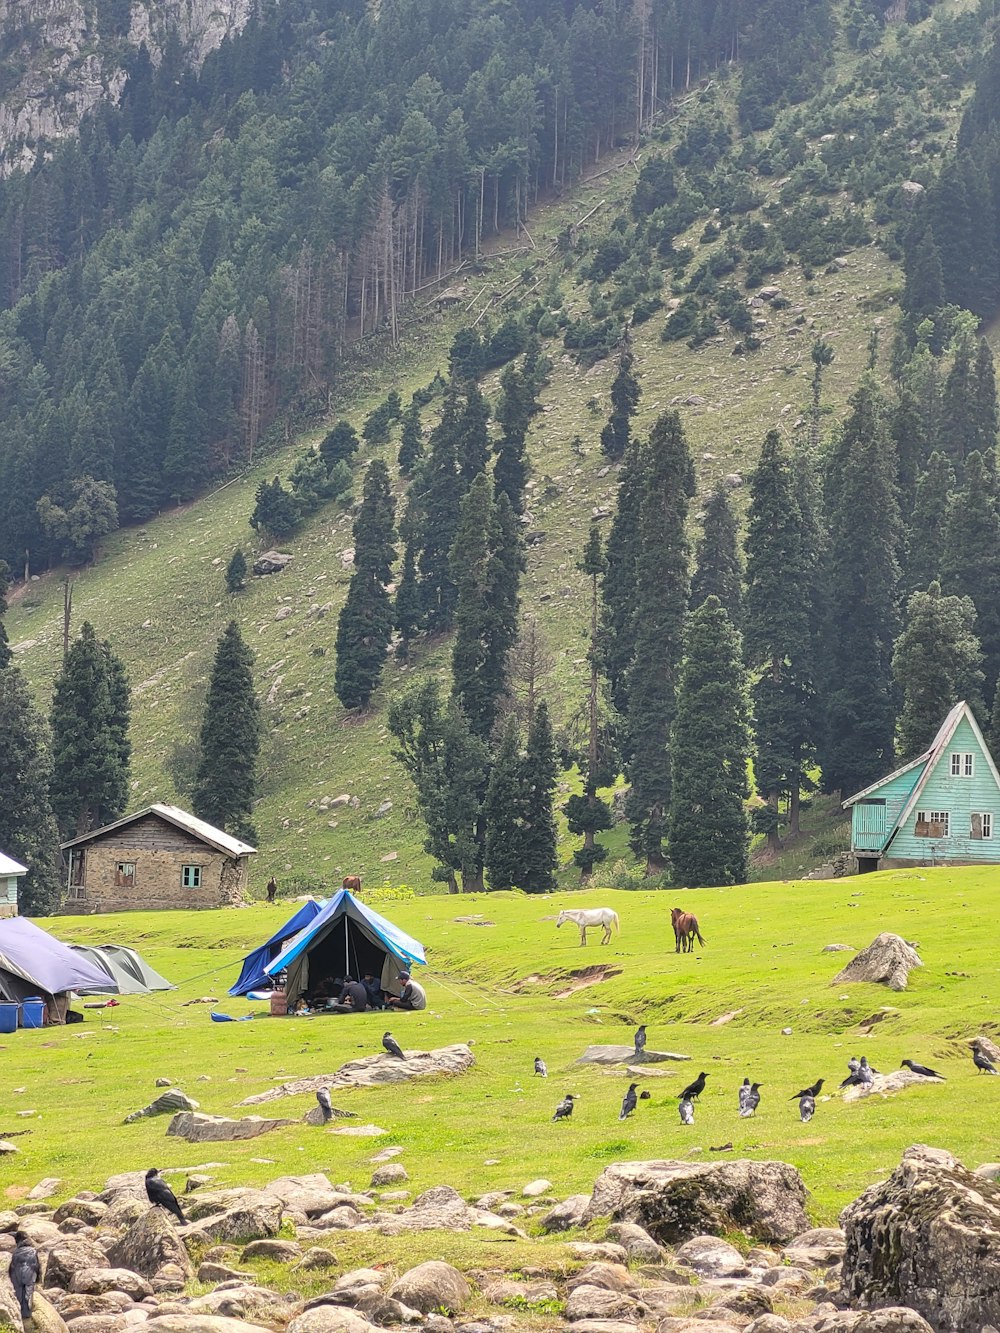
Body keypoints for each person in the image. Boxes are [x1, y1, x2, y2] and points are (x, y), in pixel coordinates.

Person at [9, 1231, 41, 1322]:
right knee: (27, 1294)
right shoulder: (33, 1252)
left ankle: (22, 1311)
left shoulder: (16, 1253)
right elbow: (36, 1270)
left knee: (20, 1295)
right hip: (29, 1277)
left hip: (17, 1278)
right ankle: (26, 1312)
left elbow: (12, 1271)